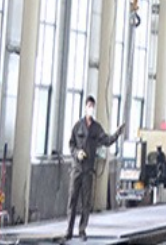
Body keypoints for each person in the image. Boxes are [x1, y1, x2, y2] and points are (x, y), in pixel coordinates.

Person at [66, 96, 123, 240]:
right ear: (85, 107)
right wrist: (77, 153)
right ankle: (69, 231)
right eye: (89, 106)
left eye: (92, 106)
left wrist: (117, 134)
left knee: (86, 202)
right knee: (72, 200)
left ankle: (82, 230)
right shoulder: (77, 126)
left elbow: (107, 140)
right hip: (76, 169)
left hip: (88, 171)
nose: (90, 108)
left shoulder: (97, 128)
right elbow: (71, 144)